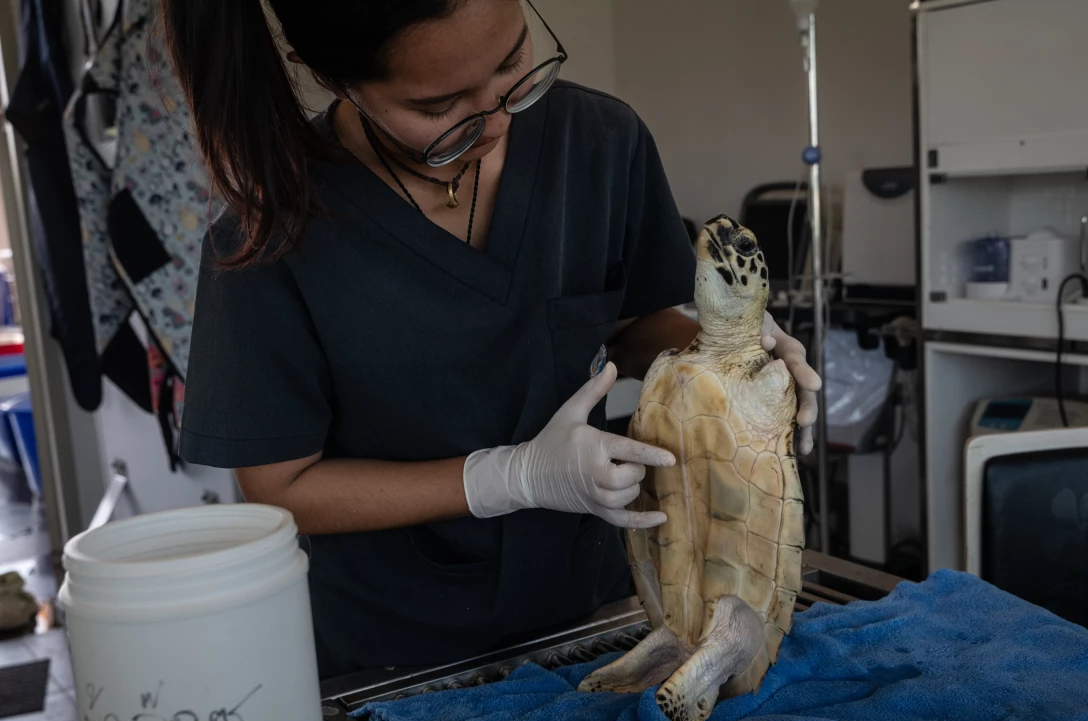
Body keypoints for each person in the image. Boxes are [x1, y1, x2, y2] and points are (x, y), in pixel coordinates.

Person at [161, 0, 822, 679]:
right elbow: (281, 486)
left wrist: (727, 353)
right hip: (393, 660)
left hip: (593, 613)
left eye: (512, 64)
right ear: (333, 78)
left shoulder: (598, 142)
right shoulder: (271, 234)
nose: (500, 121)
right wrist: (508, 478)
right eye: (439, 107)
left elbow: (630, 329)